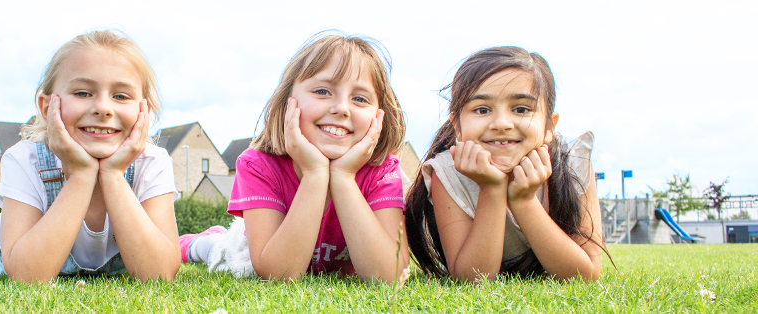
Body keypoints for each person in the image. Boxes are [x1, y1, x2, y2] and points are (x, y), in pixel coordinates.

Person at [180, 33, 409, 283]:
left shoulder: (383, 171)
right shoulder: (257, 165)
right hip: (249, 246)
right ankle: (201, 242)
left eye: (359, 99)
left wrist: (343, 178)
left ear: (379, 116)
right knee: (220, 251)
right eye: (322, 91)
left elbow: (390, 276)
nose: (342, 108)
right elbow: (279, 273)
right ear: (287, 102)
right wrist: (314, 174)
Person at [0, 30, 179, 282]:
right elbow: (26, 276)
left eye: (120, 96)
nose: (103, 108)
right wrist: (82, 175)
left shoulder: (152, 162)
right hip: (14, 249)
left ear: (144, 111)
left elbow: (159, 275)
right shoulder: (23, 160)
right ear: (46, 106)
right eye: (83, 93)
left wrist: (114, 175)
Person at [404, 46, 608, 282]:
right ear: (457, 126)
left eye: (521, 109)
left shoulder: (574, 162)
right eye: (482, 110)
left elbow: (584, 276)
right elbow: (472, 279)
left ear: (549, 127)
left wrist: (524, 200)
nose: (501, 123)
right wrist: (492, 189)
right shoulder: (448, 173)